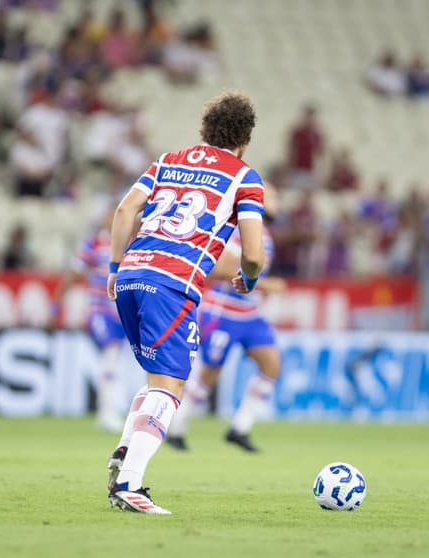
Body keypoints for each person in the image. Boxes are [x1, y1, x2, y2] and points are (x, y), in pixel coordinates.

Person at [105, 91, 265, 514]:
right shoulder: (244, 178)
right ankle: (129, 484)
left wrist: (114, 268)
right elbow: (252, 254)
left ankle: (125, 452)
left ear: (205, 129)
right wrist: (249, 279)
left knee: (156, 381)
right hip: (172, 282)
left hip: (131, 274)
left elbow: (124, 210)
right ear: (246, 138)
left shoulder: (168, 161)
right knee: (171, 385)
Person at [167, 183, 284, 452]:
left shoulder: (265, 235)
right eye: (273, 196)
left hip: (249, 314)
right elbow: (219, 268)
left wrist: (260, 290)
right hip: (223, 312)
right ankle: (176, 428)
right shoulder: (238, 230)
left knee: (271, 364)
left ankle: (240, 427)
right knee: (210, 372)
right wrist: (267, 285)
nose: (277, 202)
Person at [50, 211, 126, 432]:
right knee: (111, 352)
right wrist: (56, 303)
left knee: (114, 358)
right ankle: (107, 412)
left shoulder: (130, 243)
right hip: (99, 310)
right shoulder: (94, 243)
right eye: (112, 215)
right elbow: (73, 274)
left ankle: (110, 409)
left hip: (121, 313)